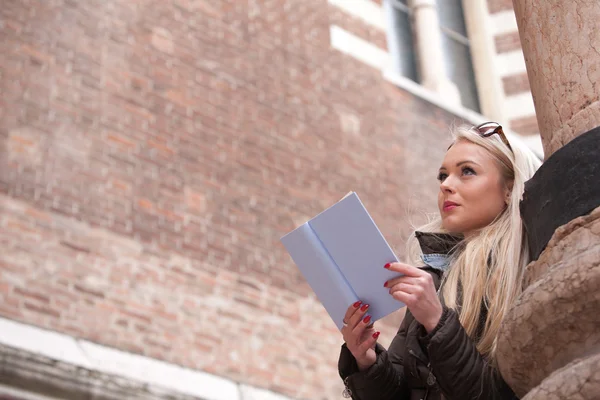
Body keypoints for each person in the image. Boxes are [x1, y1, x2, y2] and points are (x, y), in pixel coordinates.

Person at [338, 122, 542, 400]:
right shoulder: (433, 280)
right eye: (443, 176)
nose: (446, 185)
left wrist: (437, 321)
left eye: (467, 171)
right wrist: (368, 362)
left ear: (510, 189)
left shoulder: (535, 275)